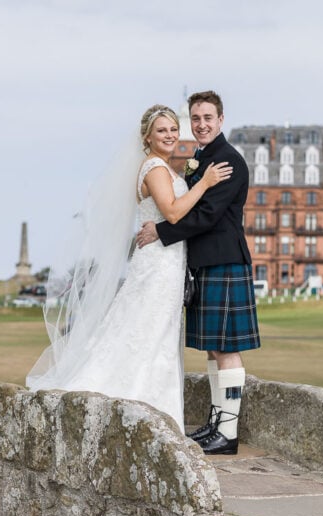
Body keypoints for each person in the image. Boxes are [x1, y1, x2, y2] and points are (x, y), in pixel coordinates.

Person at [26, 104, 231, 431]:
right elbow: (174, 213)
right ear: (147, 136)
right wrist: (204, 183)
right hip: (159, 264)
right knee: (146, 331)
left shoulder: (163, 167)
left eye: (173, 129)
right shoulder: (154, 168)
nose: (170, 135)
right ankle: (141, 407)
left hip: (168, 262)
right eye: (162, 130)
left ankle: (157, 412)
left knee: (156, 333)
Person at [135, 90, 261, 455]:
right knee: (212, 349)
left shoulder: (228, 162)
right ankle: (216, 423)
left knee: (227, 349)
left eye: (208, 118)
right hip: (204, 263)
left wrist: (162, 231)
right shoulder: (202, 158)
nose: (201, 124)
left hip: (224, 261)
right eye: (196, 118)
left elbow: (206, 215)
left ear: (221, 120)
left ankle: (228, 432)